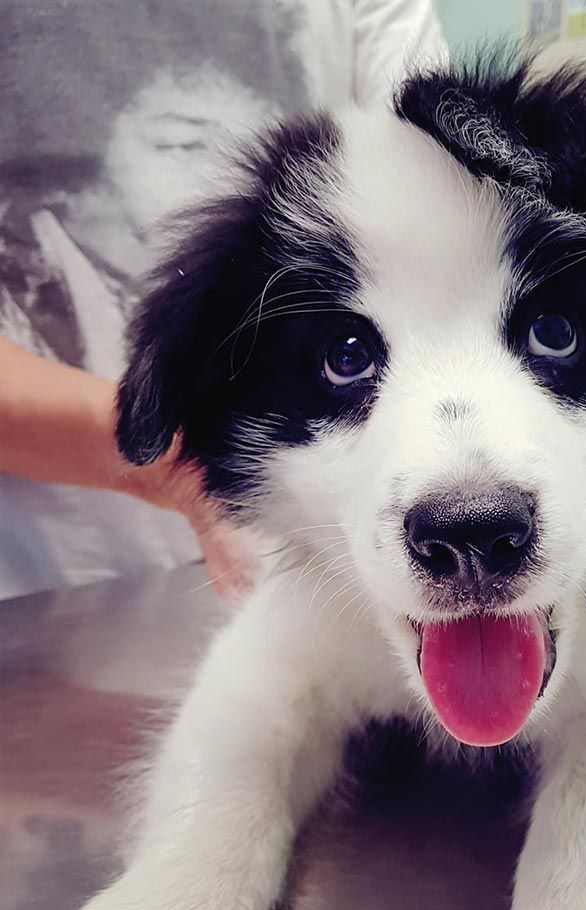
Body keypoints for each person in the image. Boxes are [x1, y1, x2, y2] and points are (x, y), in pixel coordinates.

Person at [0, 0, 445, 601]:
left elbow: (442, 199)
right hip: (50, 592)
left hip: (322, 557)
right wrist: (177, 475)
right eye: (182, 146)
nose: (214, 191)